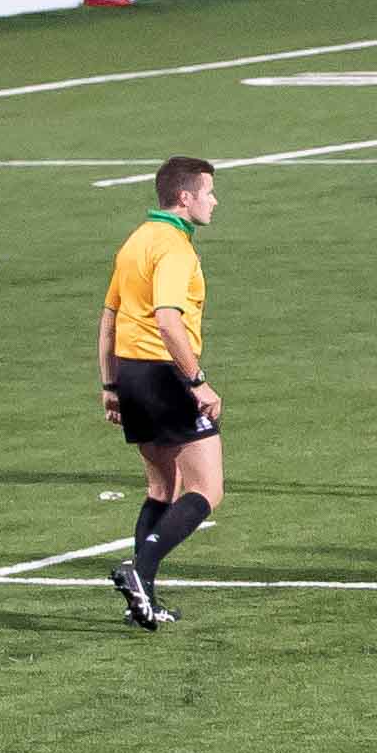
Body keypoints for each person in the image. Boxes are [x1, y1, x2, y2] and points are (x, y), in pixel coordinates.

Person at [99, 157, 225, 626]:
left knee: (162, 486)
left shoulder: (136, 241)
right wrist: (198, 382)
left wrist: (110, 383)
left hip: (131, 373)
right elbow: (167, 319)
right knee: (206, 488)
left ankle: (142, 599)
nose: (214, 201)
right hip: (166, 373)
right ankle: (141, 569)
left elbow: (110, 317)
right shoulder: (174, 248)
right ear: (184, 197)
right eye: (208, 192)